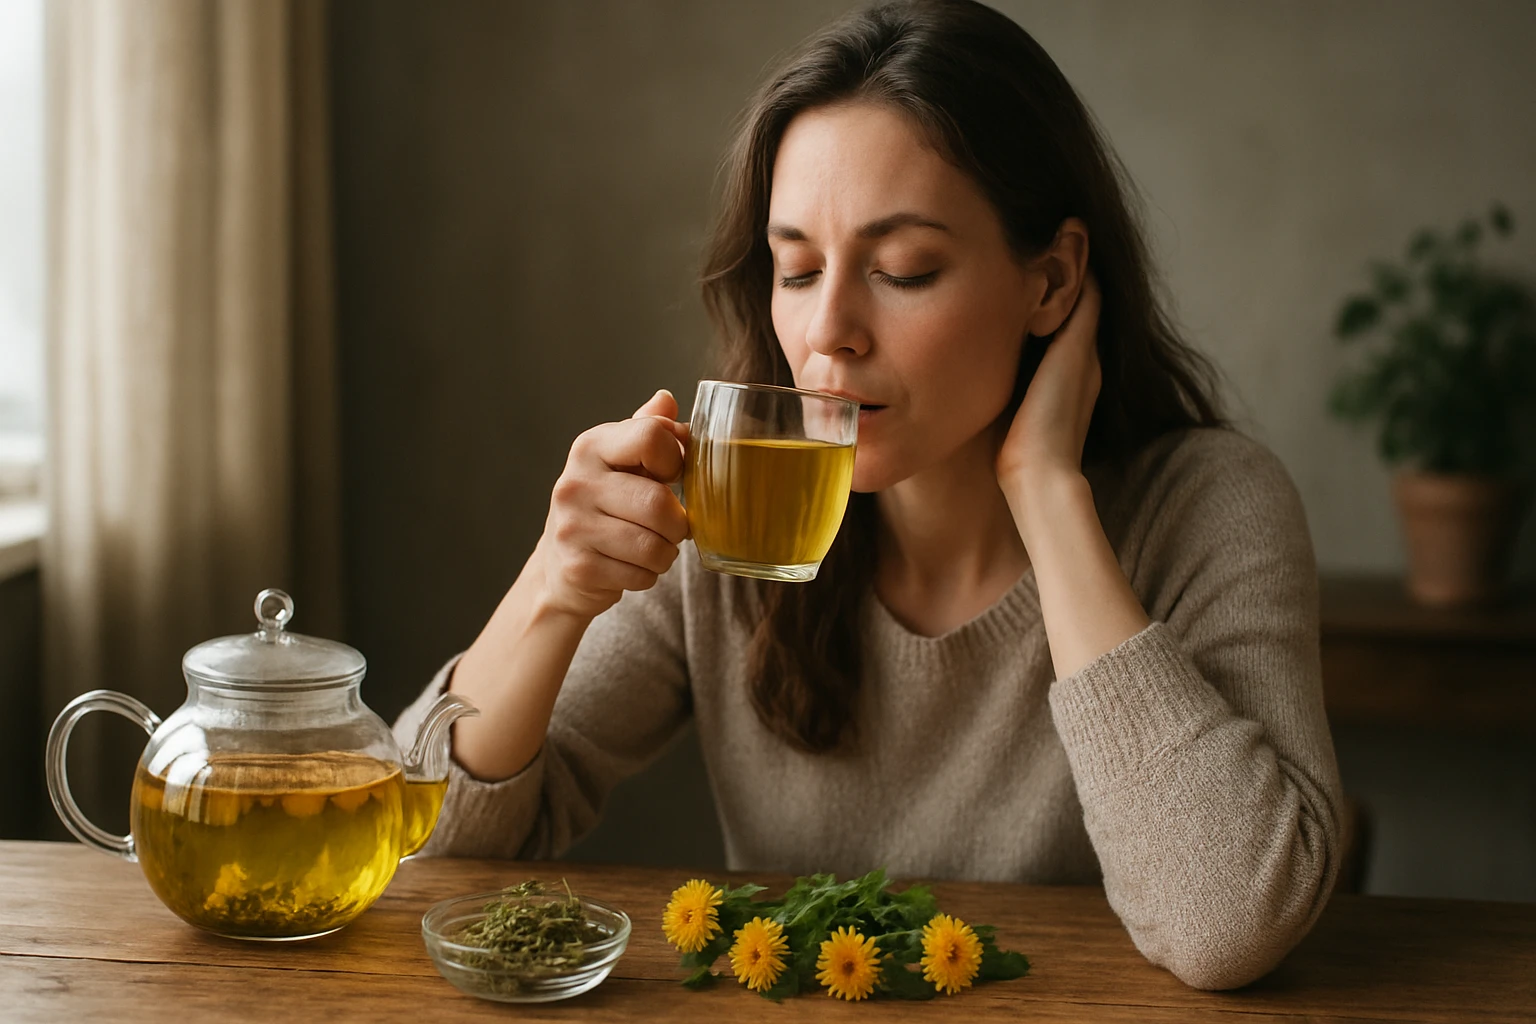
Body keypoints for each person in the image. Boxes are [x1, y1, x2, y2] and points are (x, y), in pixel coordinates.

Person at [393, 0, 1343, 991]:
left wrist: (1047, 492)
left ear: (1052, 281)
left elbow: (1229, 922)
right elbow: (426, 849)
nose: (828, 331)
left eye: (904, 268)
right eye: (797, 268)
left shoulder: (1210, 509)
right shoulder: (739, 501)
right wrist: (555, 580)